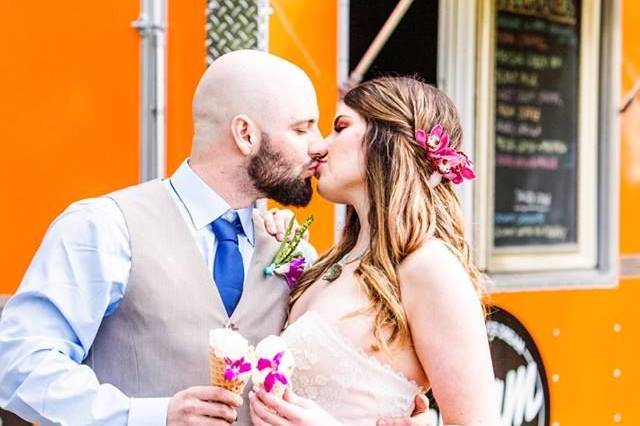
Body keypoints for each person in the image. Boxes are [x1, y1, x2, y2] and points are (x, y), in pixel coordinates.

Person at [0, 51, 430, 426]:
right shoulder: (103, 227)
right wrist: (149, 416)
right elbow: (18, 364)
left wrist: (390, 412)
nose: (319, 147)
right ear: (245, 135)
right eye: (302, 129)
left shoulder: (294, 251)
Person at [249, 77, 500, 426]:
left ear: (387, 142)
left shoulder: (429, 266)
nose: (320, 147)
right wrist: (271, 244)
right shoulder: (333, 263)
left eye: (341, 127)